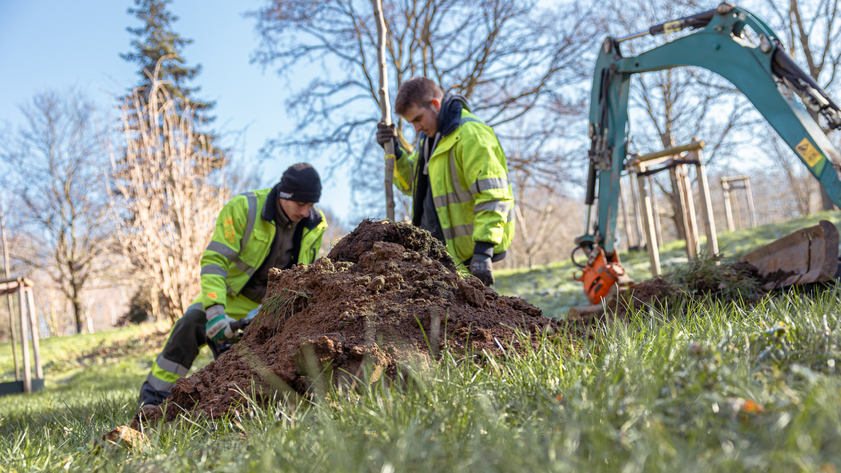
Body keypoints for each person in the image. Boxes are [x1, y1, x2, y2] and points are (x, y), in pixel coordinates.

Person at [138, 163, 328, 407]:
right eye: (301, 204)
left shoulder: (315, 224)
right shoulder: (243, 208)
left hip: (274, 305)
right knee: (189, 323)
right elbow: (214, 261)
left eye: (311, 205)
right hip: (231, 297)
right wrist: (215, 312)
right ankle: (152, 401)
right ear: (284, 195)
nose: (305, 211)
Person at [376, 77, 514, 285]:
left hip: (469, 254)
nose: (416, 128)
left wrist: (483, 252)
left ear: (435, 105)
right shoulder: (430, 140)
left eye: (418, 119)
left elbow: (493, 195)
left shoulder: (471, 135)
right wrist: (395, 151)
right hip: (440, 257)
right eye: (412, 122)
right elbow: (411, 184)